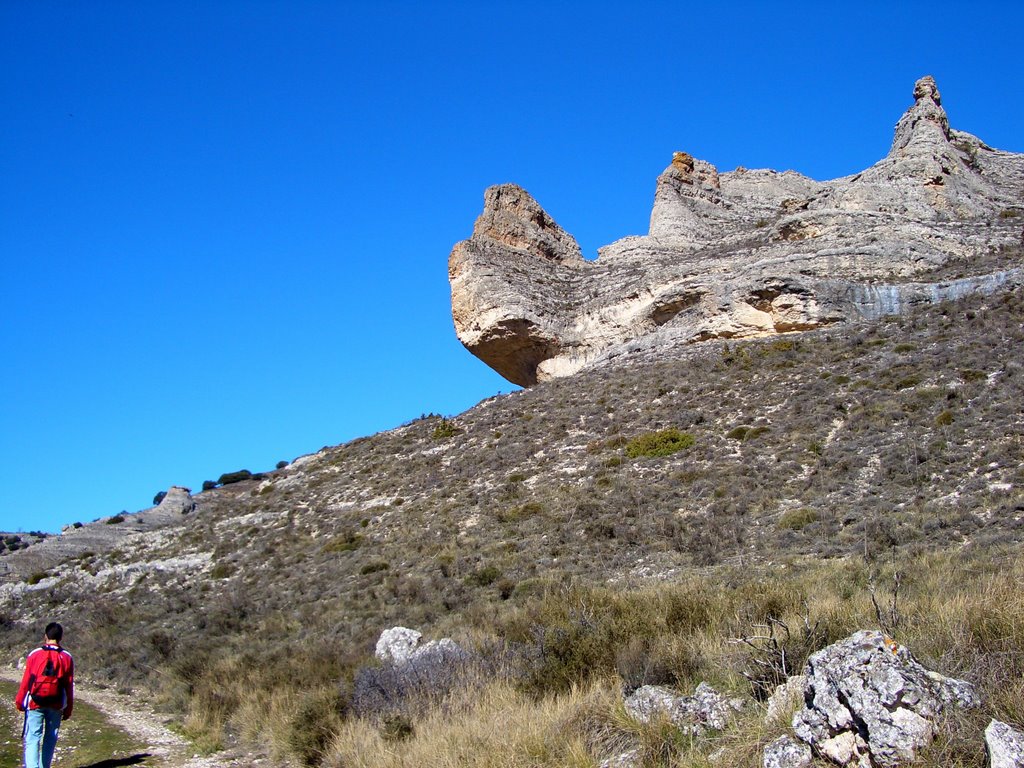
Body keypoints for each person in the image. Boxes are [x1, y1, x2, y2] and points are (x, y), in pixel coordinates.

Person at [15, 622, 74, 768]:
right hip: (56, 703)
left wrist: (19, 701)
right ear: (60, 637)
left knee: (33, 737)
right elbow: (69, 686)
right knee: (50, 737)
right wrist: (68, 708)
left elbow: (26, 681)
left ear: (45, 636)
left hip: (35, 702)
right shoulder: (67, 657)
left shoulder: (34, 654)